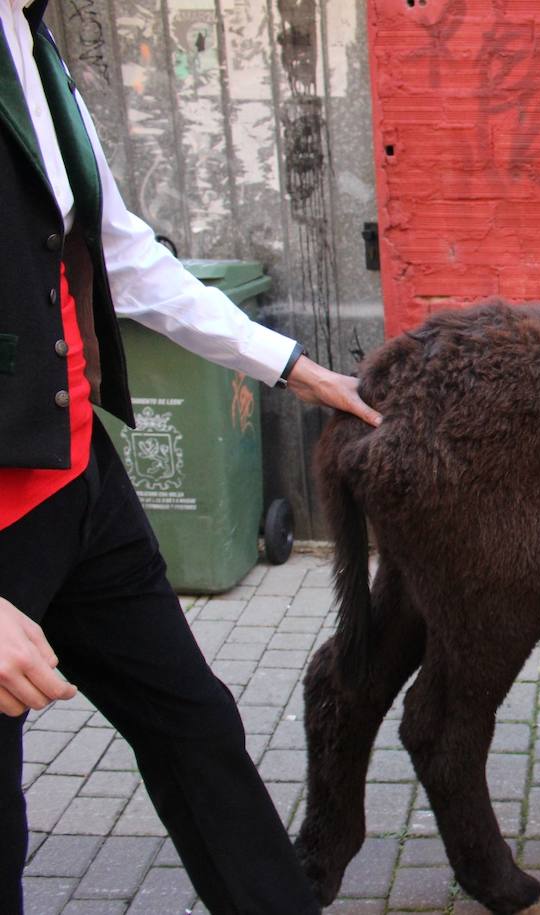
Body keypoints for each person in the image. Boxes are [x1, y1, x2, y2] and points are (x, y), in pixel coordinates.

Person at [0, 0, 381, 910]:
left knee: (194, 724)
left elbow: (120, 253)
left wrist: (291, 366)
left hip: (79, 478)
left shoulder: (29, 35)